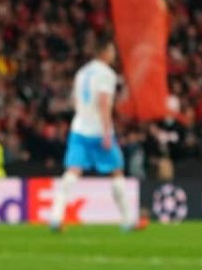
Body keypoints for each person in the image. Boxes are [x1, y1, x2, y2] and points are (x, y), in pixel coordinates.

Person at [50, 41, 139, 232]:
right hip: (99, 130)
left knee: (73, 171)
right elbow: (104, 103)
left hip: (79, 128)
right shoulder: (107, 74)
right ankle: (127, 220)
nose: (114, 54)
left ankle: (56, 217)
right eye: (112, 51)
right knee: (116, 170)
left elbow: (75, 101)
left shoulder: (82, 72)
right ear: (105, 52)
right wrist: (107, 132)